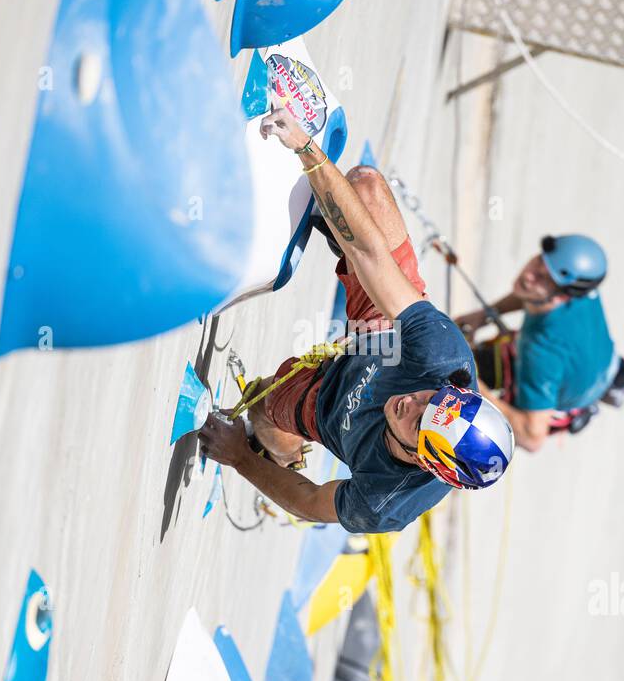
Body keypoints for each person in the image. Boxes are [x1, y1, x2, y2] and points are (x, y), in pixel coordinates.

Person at [198, 106, 515, 533]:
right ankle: (336, 227)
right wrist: (307, 150)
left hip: (327, 409)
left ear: (425, 461)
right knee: (365, 186)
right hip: (382, 341)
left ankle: (280, 446)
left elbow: (309, 501)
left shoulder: (385, 499)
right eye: (432, 399)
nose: (413, 402)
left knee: (268, 416)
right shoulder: (441, 360)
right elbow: (374, 256)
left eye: (420, 421)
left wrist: (240, 457)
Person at [454, 235, 624, 453]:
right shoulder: (580, 287)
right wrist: (483, 315)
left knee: (453, 388)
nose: (528, 275)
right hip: (595, 360)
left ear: (563, 297)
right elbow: (529, 293)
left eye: (544, 279)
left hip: (563, 383)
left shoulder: (540, 354)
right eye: (539, 261)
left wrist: (470, 381)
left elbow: (531, 436)